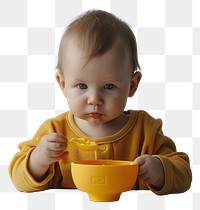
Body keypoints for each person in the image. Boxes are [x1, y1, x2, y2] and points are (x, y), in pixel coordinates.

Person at [9, 10, 192, 195]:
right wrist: (39, 160)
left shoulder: (145, 131)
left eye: (109, 86)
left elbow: (183, 174)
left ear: (132, 85)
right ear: (63, 84)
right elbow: (17, 179)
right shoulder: (54, 131)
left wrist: (159, 169)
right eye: (81, 85)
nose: (94, 99)